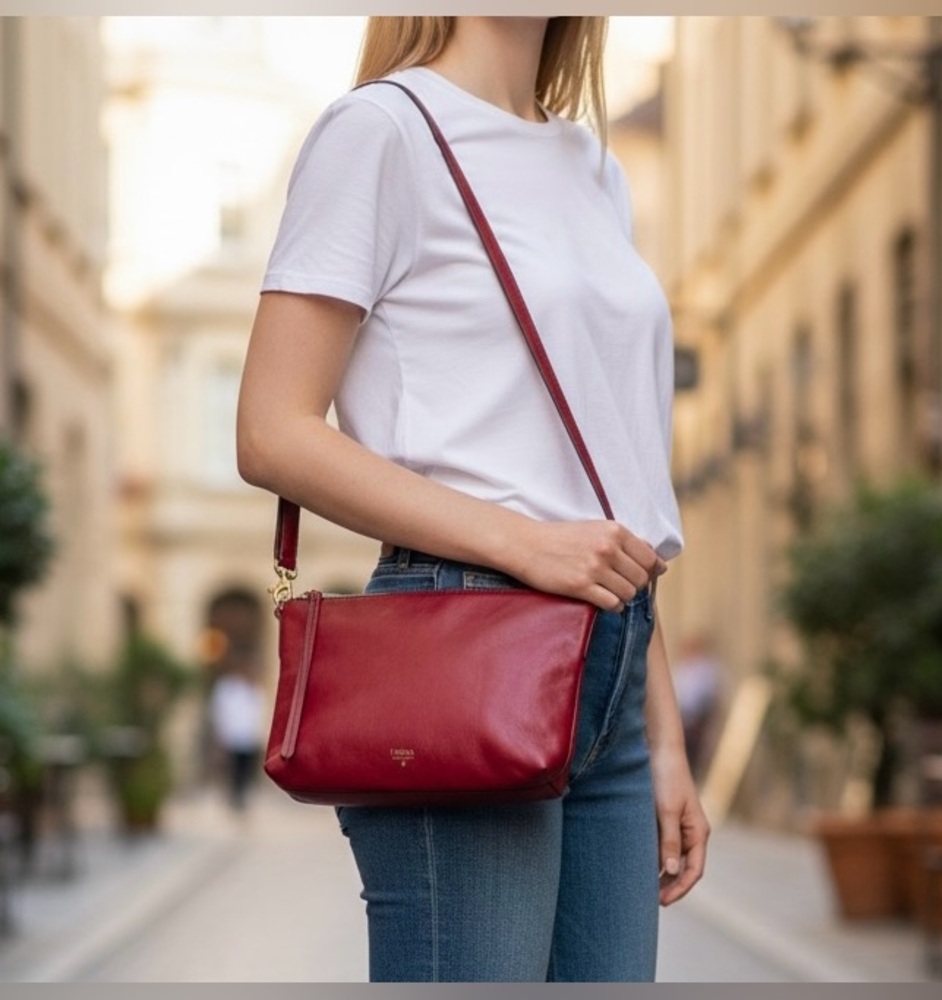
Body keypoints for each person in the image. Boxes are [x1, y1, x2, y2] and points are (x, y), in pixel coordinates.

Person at [237, 16, 710, 983]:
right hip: (464, 641)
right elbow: (272, 430)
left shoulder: (593, 166)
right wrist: (527, 544)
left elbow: (613, 481)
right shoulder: (381, 131)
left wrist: (665, 737)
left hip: (612, 663)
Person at [208, 663, 265, 813]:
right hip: (232, 736)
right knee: (231, 769)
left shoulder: (253, 689)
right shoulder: (227, 688)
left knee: (244, 770)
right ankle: (233, 796)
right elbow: (220, 711)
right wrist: (221, 733)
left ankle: (241, 795)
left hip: (248, 737)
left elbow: (258, 714)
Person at [671, 634, 723, 783]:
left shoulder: (706, 671)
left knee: (693, 759)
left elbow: (708, 698)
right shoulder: (681, 669)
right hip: (680, 719)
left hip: (694, 722)